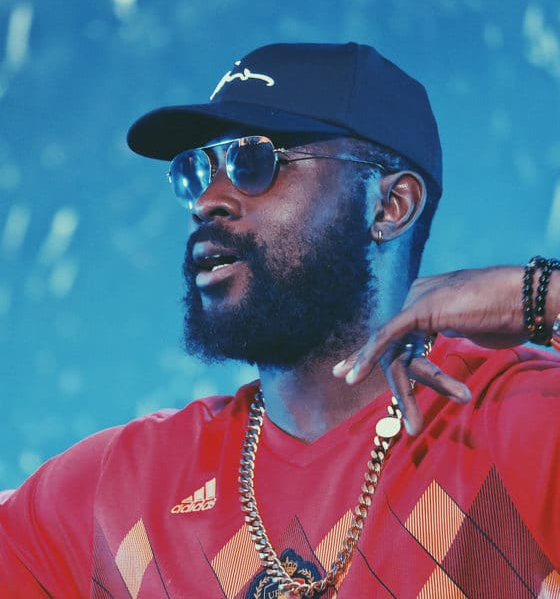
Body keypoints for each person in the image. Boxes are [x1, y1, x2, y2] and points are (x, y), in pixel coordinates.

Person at [1, 42, 559, 599]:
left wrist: (540, 294)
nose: (207, 201)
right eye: (196, 171)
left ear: (391, 206)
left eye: (254, 162)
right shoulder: (123, 489)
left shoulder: (518, 420)